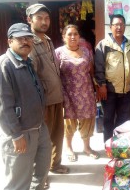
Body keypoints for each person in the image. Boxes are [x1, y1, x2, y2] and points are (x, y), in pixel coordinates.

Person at [0, 23, 51, 190]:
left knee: (42, 172)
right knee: (19, 181)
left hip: (38, 128)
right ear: (10, 41)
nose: (25, 41)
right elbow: (1, 107)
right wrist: (16, 135)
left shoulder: (28, 62)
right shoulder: (2, 67)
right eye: (20, 38)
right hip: (21, 133)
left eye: (28, 38)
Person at [26, 3, 69, 175]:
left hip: (56, 97)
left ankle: (55, 165)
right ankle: (39, 176)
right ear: (29, 20)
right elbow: (31, 76)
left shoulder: (48, 40)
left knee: (57, 136)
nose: (44, 22)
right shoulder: (29, 42)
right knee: (42, 140)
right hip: (43, 101)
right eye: (39, 18)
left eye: (46, 18)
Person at [55, 24, 99, 161]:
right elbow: (55, 74)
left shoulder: (86, 51)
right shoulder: (58, 53)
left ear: (79, 36)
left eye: (75, 34)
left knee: (88, 120)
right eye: (69, 34)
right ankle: (69, 148)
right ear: (64, 37)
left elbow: (91, 71)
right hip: (68, 94)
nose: (73, 37)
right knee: (69, 123)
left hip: (86, 93)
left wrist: (96, 87)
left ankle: (86, 147)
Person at [94, 14, 130, 142]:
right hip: (109, 90)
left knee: (124, 120)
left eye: (121, 24)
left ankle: (120, 145)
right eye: (116, 24)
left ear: (124, 26)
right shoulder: (103, 45)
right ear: (111, 26)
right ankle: (109, 145)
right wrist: (101, 86)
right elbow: (99, 67)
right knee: (108, 120)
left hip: (126, 89)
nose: (119, 27)